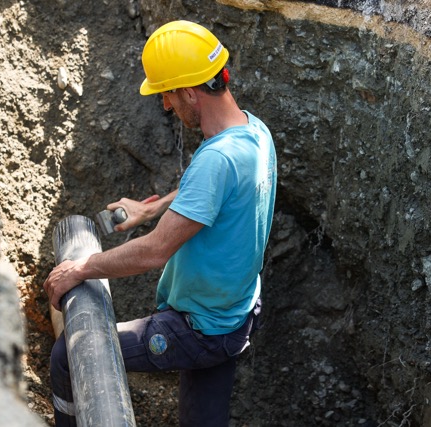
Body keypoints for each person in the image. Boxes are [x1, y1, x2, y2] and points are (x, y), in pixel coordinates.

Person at [43, 20, 277, 427]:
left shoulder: (216, 159)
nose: (167, 105)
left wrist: (80, 269)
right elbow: (212, 192)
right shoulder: (254, 132)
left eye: (167, 93)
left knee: (68, 355)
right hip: (234, 315)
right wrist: (151, 209)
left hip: (200, 328)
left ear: (189, 92)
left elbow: (155, 251)